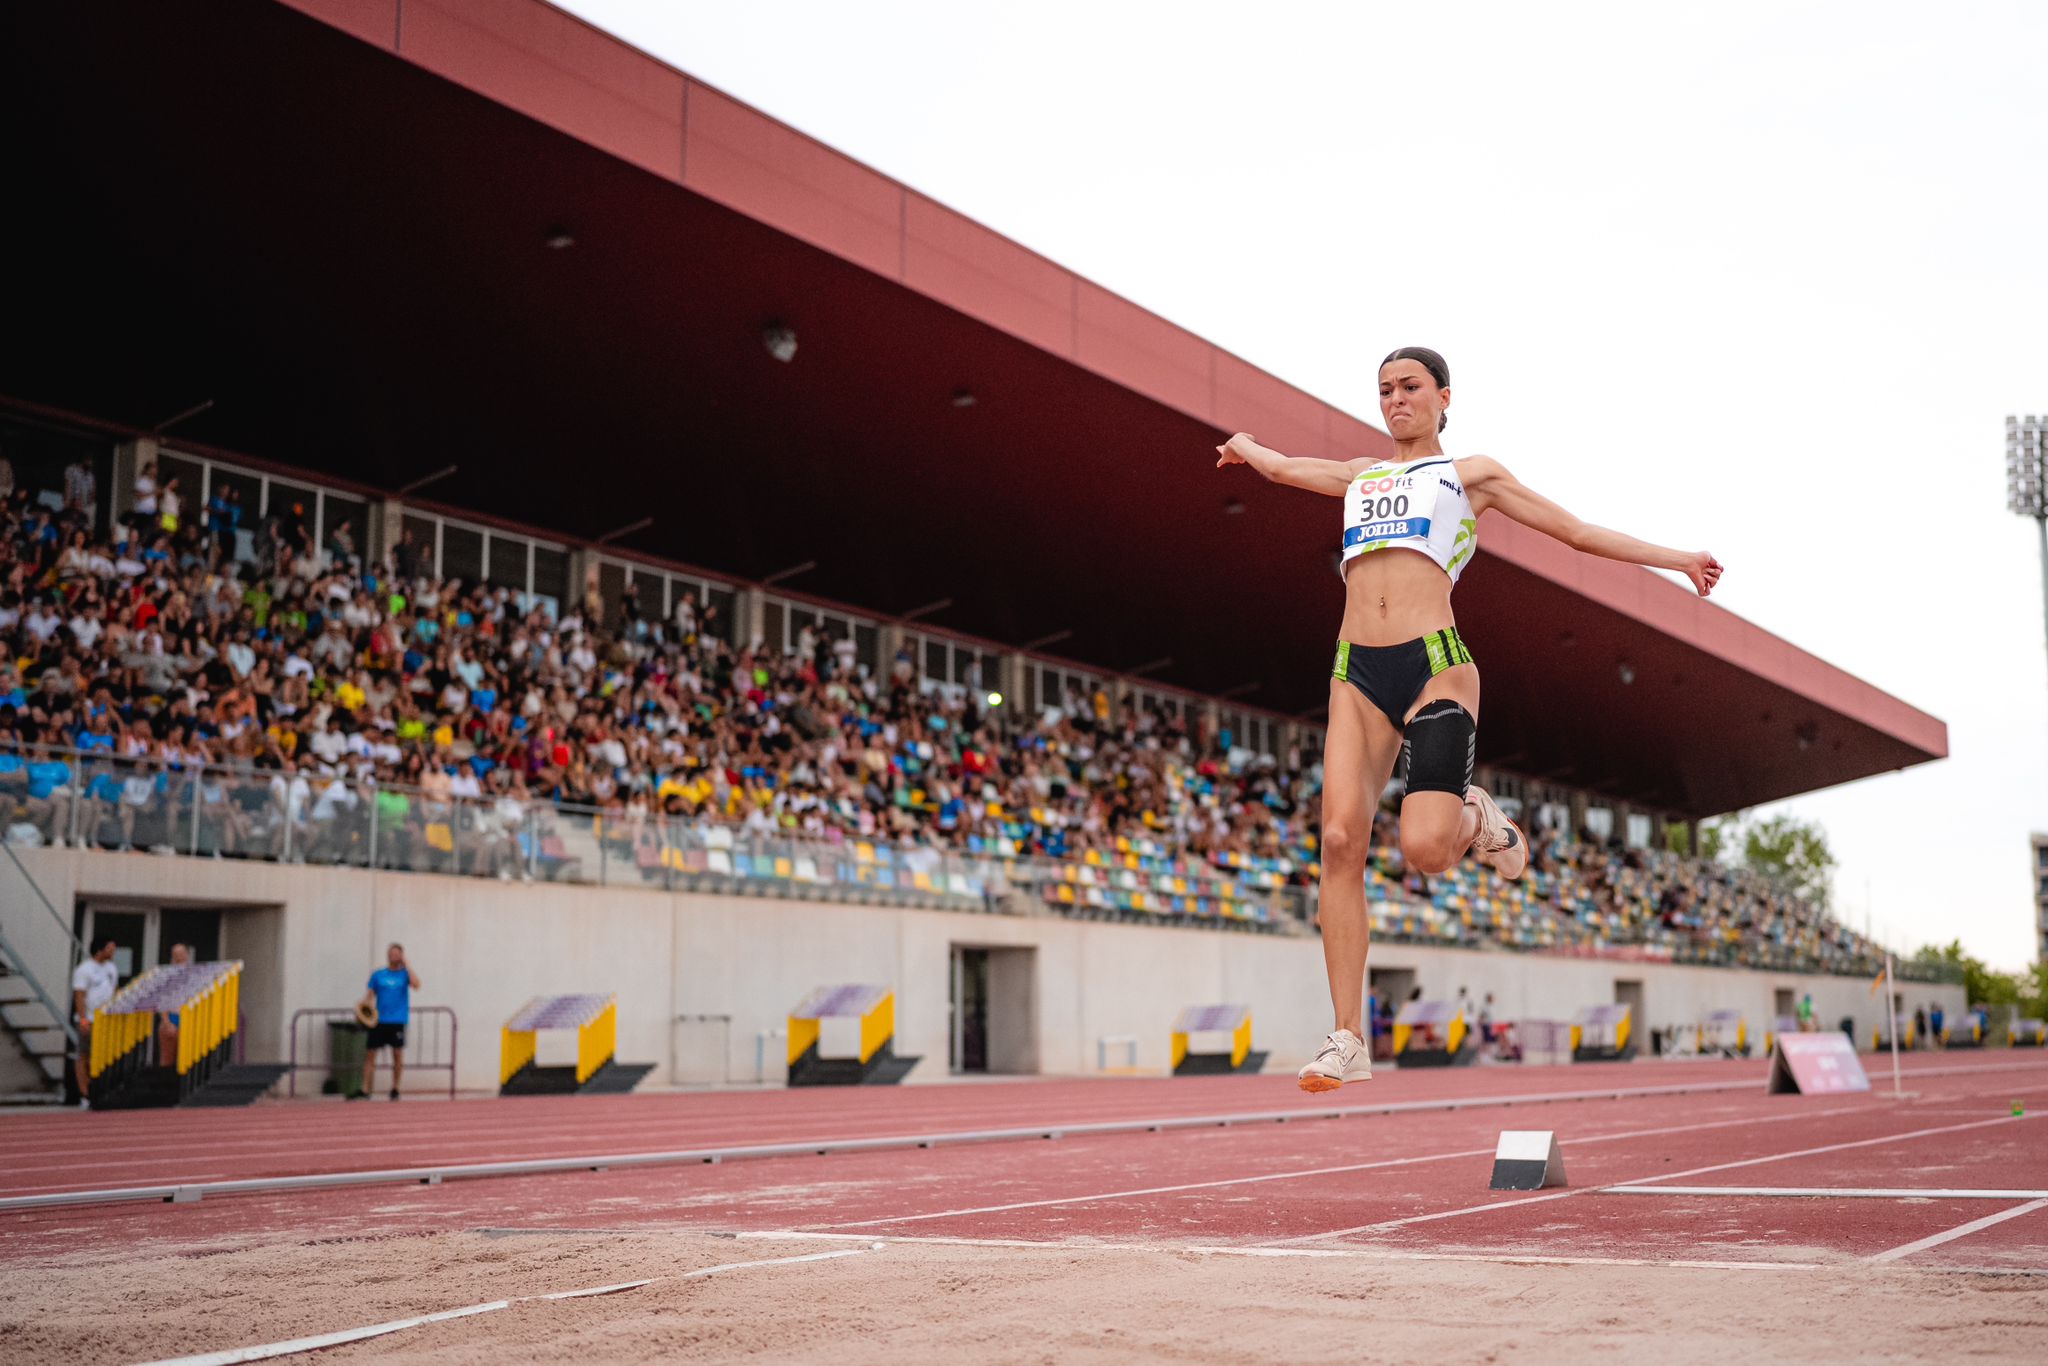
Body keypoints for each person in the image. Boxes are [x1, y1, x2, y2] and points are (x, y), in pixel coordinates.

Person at [1217, 346, 1723, 1092]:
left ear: (1444, 398)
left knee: (1424, 849)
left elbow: (1576, 532)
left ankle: (1477, 820)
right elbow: (1289, 468)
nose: (1395, 399)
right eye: (1384, 389)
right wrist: (1247, 447)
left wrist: (1678, 558)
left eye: (1410, 387)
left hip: (1433, 664)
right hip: (1354, 670)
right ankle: (1348, 1037)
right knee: (1336, 842)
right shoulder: (1362, 475)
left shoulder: (1468, 476)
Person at [359, 943, 418, 1100]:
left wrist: (407, 965)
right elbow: (370, 994)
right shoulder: (379, 975)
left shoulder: (405, 975)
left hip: (397, 1020)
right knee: (371, 1054)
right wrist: (363, 1010)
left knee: (397, 1054)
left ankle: (395, 1088)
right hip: (379, 1020)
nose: (394, 956)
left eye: (397, 954)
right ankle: (364, 1089)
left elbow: (416, 984)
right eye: (391, 953)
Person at [71, 937, 119, 1107]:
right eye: (110, 949)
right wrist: (83, 1019)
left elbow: (112, 991)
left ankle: (98, 1089)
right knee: (84, 1054)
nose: (113, 952)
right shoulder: (84, 969)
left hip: (106, 1020)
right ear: (100, 950)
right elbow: (79, 996)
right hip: (89, 1019)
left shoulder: (112, 968)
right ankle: (84, 1094)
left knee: (100, 1055)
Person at [155, 942, 192, 1064]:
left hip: (189, 1019)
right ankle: (164, 1081)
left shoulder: (194, 975)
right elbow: (161, 1001)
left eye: (181, 954)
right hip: (172, 1017)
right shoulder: (167, 976)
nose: (178, 957)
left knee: (186, 1058)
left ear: (187, 955)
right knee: (167, 1058)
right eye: (175, 954)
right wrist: (166, 1022)